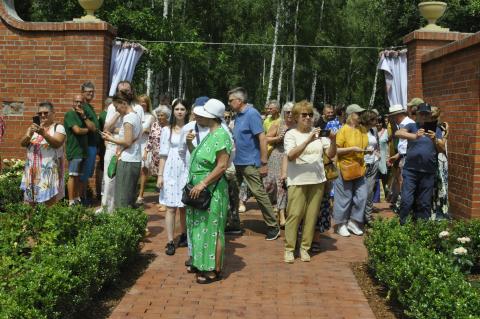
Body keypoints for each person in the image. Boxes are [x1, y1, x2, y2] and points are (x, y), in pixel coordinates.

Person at [185, 99, 233, 284]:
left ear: (211, 117)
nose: (197, 116)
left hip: (211, 190)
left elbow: (222, 166)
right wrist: (190, 145)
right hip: (199, 189)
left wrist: (202, 184)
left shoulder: (221, 135)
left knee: (212, 229)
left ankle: (213, 269)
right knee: (199, 227)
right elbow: (200, 158)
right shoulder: (210, 134)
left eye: (201, 114)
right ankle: (200, 263)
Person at [283, 101, 337, 263]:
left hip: (317, 180)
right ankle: (289, 249)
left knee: (312, 216)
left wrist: (333, 140)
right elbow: (291, 156)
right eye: (304, 115)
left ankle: (305, 248)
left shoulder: (319, 134)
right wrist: (308, 140)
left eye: (310, 115)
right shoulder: (291, 134)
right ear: (296, 117)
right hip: (297, 180)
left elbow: (331, 154)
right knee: (294, 214)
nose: (307, 118)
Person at [229, 87, 280, 240]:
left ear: (240, 100)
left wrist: (263, 162)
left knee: (259, 193)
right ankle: (234, 224)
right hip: (237, 161)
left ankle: (273, 226)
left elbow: (262, 138)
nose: (229, 103)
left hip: (250, 161)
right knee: (233, 192)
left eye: (231, 100)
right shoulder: (238, 115)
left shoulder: (252, 114)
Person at [396, 103, 445, 224]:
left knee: (424, 203)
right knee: (406, 200)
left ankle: (421, 230)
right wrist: (415, 136)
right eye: (421, 114)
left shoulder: (436, 129)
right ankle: (403, 227)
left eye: (426, 114)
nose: (424, 116)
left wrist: (435, 140)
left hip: (428, 172)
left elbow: (442, 149)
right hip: (411, 171)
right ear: (417, 115)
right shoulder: (412, 125)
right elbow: (398, 134)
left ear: (430, 115)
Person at [101, 81, 144, 212]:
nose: (116, 110)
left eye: (116, 107)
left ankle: (123, 227)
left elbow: (127, 142)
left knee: (122, 200)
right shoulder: (135, 116)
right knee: (129, 198)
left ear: (124, 103)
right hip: (133, 159)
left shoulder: (128, 118)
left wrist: (110, 138)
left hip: (127, 160)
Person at [157, 99, 189, 256]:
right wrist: (160, 175)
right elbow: (163, 154)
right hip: (170, 169)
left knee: (184, 206)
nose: (180, 111)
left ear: (187, 111)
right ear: (173, 111)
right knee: (170, 207)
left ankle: (184, 235)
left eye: (183, 108)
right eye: (177, 109)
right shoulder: (166, 130)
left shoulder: (191, 129)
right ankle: (170, 240)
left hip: (185, 169)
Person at [20, 102, 66, 206]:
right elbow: (22, 143)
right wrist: (29, 134)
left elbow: (57, 144)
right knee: (28, 204)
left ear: (53, 113)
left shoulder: (58, 128)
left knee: (49, 204)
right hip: (31, 171)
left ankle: (47, 222)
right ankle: (27, 222)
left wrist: (43, 133)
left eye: (46, 112)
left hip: (48, 171)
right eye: (40, 113)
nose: (42, 115)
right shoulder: (33, 128)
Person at [333, 104, 368, 237]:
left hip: (359, 168)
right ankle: (341, 224)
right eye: (358, 114)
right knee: (344, 198)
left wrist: (371, 151)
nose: (360, 116)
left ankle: (353, 221)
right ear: (351, 115)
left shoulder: (363, 129)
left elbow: (364, 146)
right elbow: (336, 150)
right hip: (345, 168)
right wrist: (352, 149)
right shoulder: (343, 130)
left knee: (362, 195)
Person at [264, 101, 295, 227]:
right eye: (287, 112)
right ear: (283, 112)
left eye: (292, 112)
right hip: (277, 156)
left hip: (292, 157)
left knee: (285, 186)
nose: (290, 114)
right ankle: (276, 210)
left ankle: (283, 214)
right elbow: (266, 138)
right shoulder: (278, 124)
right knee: (273, 185)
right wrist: (278, 138)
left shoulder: (298, 125)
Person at [64, 96, 94, 206]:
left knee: (78, 176)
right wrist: (87, 130)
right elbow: (77, 130)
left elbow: (94, 128)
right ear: (72, 102)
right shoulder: (70, 114)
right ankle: (71, 201)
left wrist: (84, 116)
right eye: (76, 101)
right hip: (74, 150)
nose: (78, 104)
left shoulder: (84, 114)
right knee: (72, 175)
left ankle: (77, 198)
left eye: (81, 102)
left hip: (83, 151)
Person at [387, 104, 415, 213]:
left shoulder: (409, 124)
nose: (393, 120)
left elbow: (412, 144)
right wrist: (398, 155)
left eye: (393, 117)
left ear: (397, 115)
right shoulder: (403, 124)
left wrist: (402, 156)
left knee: (404, 182)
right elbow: (404, 144)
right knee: (400, 181)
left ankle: (406, 208)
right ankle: (402, 205)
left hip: (408, 157)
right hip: (403, 156)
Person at [144, 105, 171, 213]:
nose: (159, 117)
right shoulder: (155, 125)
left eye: (162, 115)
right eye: (158, 115)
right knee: (159, 179)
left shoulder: (170, 127)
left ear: (167, 116)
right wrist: (146, 152)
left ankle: (165, 202)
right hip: (156, 156)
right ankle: (162, 199)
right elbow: (150, 139)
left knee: (166, 178)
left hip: (166, 157)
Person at [79, 81, 100, 206]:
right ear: (82, 93)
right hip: (87, 146)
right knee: (84, 173)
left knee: (87, 173)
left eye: (92, 92)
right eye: (88, 92)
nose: (91, 94)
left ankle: (84, 196)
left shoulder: (90, 107)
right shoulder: (82, 107)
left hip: (93, 145)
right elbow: (90, 127)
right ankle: (82, 198)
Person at [431, 106, 449, 220]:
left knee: (438, 187)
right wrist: (447, 133)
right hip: (438, 160)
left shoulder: (439, 127)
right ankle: (439, 214)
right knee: (440, 187)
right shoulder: (438, 128)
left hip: (438, 160)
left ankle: (437, 214)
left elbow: (441, 147)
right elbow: (441, 146)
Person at [362, 111, 380, 224]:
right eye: (374, 119)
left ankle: (367, 217)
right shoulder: (360, 131)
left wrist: (378, 154)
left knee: (369, 191)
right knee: (361, 192)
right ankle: (357, 217)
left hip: (373, 162)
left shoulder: (374, 130)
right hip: (363, 164)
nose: (377, 122)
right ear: (369, 120)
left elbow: (376, 144)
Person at [136, 95, 155, 205]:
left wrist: (147, 131)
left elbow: (155, 133)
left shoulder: (151, 117)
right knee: (134, 170)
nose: (142, 104)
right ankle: (133, 192)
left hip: (145, 145)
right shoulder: (134, 114)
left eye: (144, 102)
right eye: (140, 102)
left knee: (143, 170)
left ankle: (141, 195)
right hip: (135, 145)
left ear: (148, 104)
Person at [95, 97, 111, 201]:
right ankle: (101, 192)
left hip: (101, 145)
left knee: (102, 167)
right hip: (105, 145)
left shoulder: (101, 115)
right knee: (103, 168)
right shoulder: (106, 116)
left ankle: (100, 192)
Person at [377, 114, 390, 197]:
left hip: (384, 156)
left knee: (385, 176)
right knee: (375, 177)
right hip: (374, 157)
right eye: (377, 122)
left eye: (380, 122)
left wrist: (388, 157)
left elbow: (389, 145)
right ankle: (376, 197)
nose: (378, 124)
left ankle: (385, 195)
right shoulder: (371, 131)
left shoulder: (386, 132)